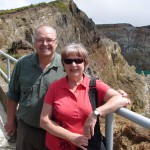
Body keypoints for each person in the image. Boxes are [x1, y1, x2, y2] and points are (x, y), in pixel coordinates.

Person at [40, 43, 131, 150]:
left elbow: (121, 99)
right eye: (68, 61)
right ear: (63, 64)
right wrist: (72, 137)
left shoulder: (94, 85)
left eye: (78, 60)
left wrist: (95, 113)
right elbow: (44, 121)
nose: (73, 64)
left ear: (85, 63)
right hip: (57, 146)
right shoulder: (55, 87)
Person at [4, 25, 66, 150]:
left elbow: (84, 82)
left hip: (56, 130)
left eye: (49, 40)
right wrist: (10, 121)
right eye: (40, 40)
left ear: (56, 43)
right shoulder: (22, 63)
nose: (45, 44)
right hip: (26, 129)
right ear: (34, 43)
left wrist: (112, 92)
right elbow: (13, 94)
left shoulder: (66, 64)